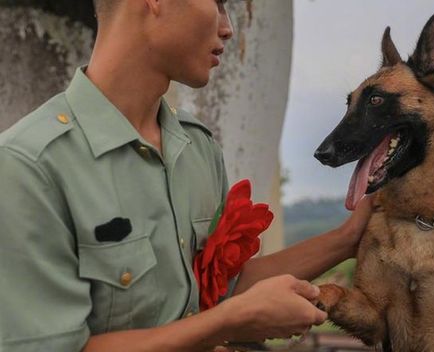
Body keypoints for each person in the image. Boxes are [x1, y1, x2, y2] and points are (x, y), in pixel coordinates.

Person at [0, 1, 373, 351]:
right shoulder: (30, 166)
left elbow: (224, 289)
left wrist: (348, 238)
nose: (227, 29)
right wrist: (230, 321)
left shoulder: (196, 146)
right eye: (218, 2)